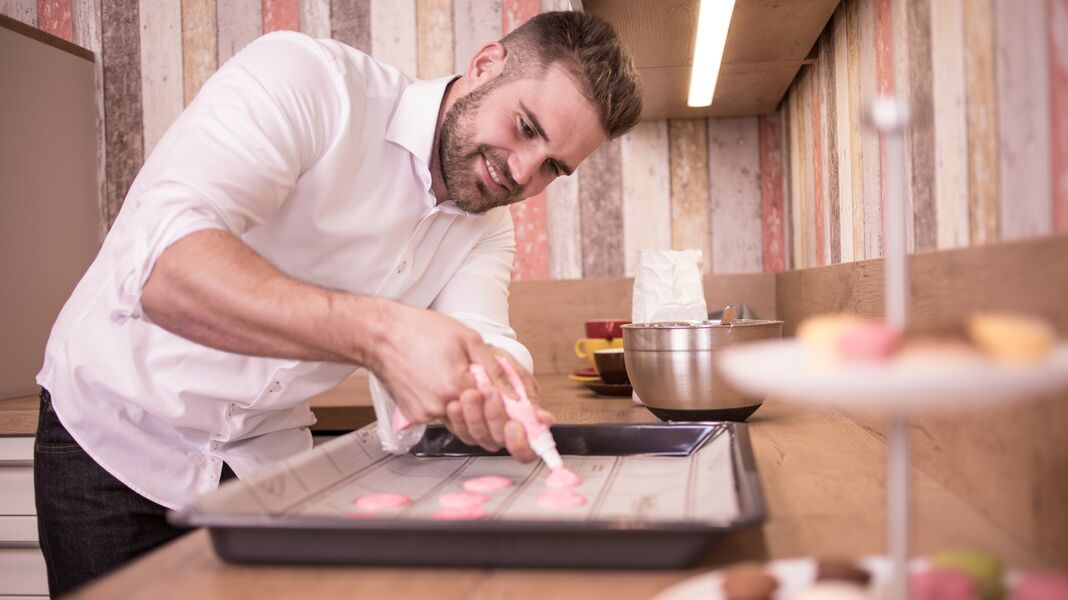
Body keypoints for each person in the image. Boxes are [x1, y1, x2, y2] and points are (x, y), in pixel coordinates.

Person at [33, 10, 641, 597]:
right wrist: (381, 335)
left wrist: (500, 385)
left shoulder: (486, 225)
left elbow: (480, 333)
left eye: (553, 168)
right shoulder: (309, 81)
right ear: (486, 65)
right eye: (526, 129)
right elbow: (162, 270)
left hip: (258, 465)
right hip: (114, 437)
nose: (522, 175)